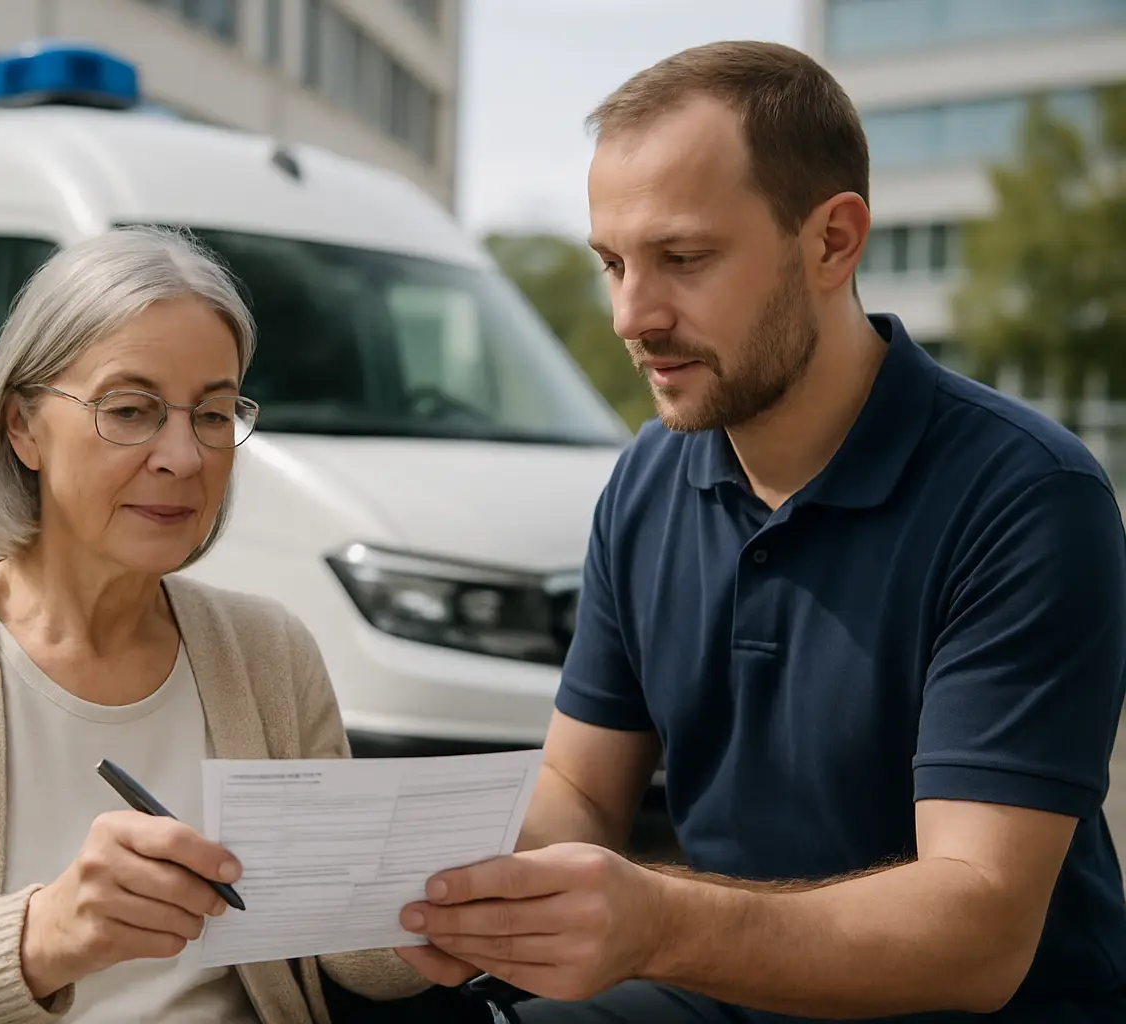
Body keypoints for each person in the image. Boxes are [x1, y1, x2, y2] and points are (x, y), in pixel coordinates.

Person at [393, 40, 1126, 1024]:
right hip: (726, 992)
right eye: (613, 264)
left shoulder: (1026, 496)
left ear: (832, 242)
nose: (630, 315)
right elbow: (580, 791)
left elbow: (979, 929)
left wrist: (656, 922)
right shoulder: (648, 478)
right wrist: (404, 866)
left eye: (683, 259)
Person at [0, 226, 492, 1024]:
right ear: (22, 427)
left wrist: (433, 923)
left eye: (213, 414)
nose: (184, 457)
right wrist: (41, 938)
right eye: (130, 410)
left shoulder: (272, 654)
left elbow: (336, 943)